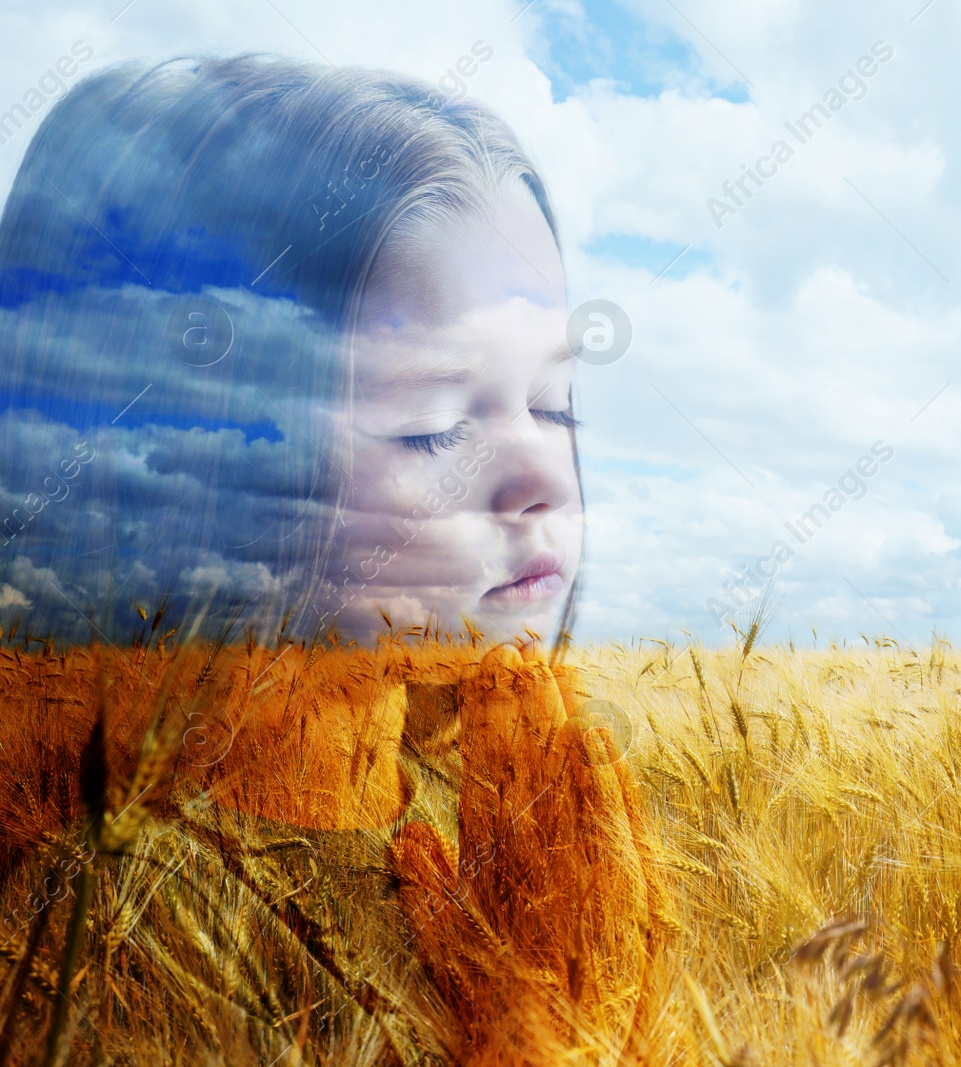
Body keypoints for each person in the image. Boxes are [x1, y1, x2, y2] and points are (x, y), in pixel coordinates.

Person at [0, 54, 670, 1065]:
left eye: (556, 403)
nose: (542, 473)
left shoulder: (486, 824)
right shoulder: (117, 927)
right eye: (438, 425)